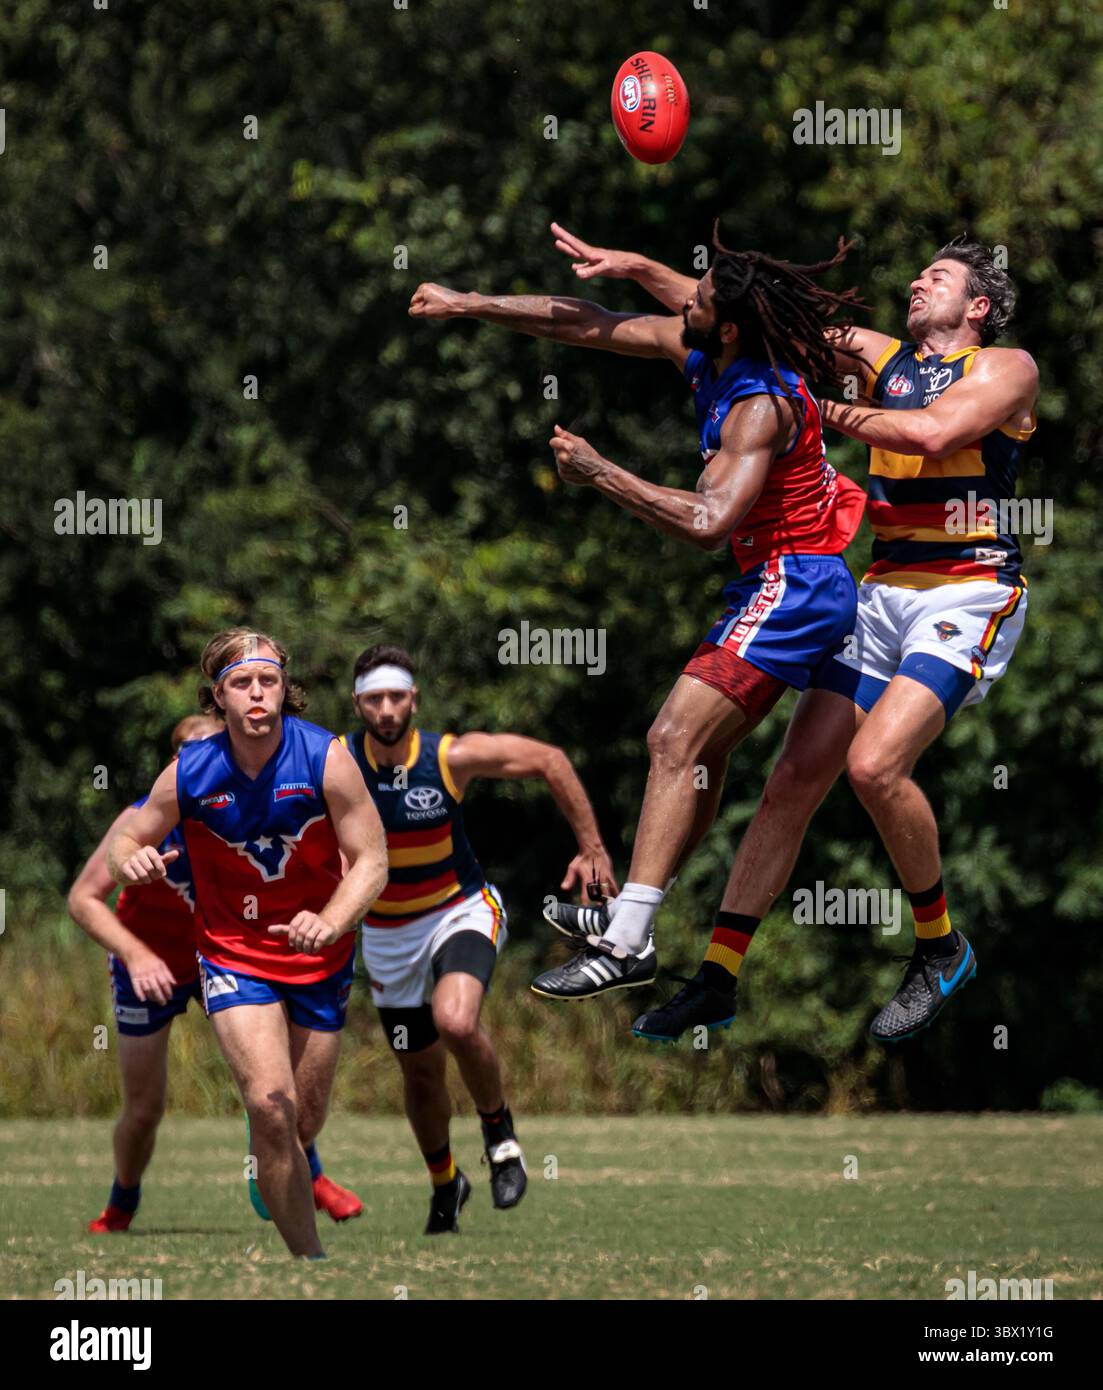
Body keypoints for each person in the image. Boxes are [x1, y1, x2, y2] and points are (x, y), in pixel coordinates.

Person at [561, 229, 1037, 1043]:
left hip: (966, 591)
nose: (918, 281)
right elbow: (745, 311)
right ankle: (716, 978)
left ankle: (938, 945)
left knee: (874, 766)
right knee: (789, 783)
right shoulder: (880, 353)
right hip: (883, 590)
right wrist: (641, 267)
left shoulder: (1004, 367)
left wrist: (819, 406)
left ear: (978, 306)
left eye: (940, 277)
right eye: (919, 270)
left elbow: (928, 435)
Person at [409, 226, 866, 1003]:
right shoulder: (705, 353)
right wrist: (469, 303)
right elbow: (586, 320)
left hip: (794, 586)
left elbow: (705, 524)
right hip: (791, 584)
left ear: (724, 326)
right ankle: (633, 918)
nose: (677, 297)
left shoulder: (755, 403)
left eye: (696, 296)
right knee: (701, 758)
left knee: (670, 737)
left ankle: (626, 940)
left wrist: (598, 473)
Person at [108, 629, 389, 1257]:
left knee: (302, 1121)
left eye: (269, 681)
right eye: (242, 684)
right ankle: (311, 1263)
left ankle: (275, 1147)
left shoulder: (326, 758)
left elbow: (372, 859)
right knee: (269, 1105)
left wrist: (333, 919)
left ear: (286, 689)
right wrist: (136, 862)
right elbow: (125, 842)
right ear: (219, 697)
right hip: (234, 955)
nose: (258, 694)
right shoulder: (191, 772)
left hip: (320, 957)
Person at [341, 643, 616, 1232]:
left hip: (457, 911)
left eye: (396, 697)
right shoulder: (336, 763)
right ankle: (446, 1182)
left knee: (457, 1021)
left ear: (413, 698)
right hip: (387, 934)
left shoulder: (450, 756)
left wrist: (591, 848)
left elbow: (550, 759)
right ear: (358, 704)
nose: (386, 710)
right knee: (418, 1072)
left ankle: (501, 1137)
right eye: (373, 699)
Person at [70, 715, 220, 1233]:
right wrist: (137, 955)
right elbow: (83, 900)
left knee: (266, 1079)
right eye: (184, 752)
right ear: (173, 763)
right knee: (143, 1110)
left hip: (215, 960)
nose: (194, 761)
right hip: (146, 963)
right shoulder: (143, 818)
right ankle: (121, 1204)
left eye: (209, 750)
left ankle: (301, 1175)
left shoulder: (246, 817)